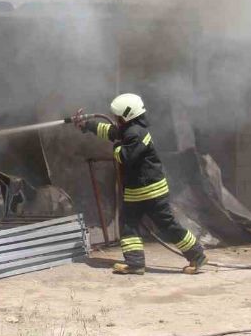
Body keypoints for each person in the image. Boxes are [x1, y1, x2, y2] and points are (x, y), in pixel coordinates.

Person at [74, 93, 207, 275]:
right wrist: (87, 125)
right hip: (141, 190)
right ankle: (136, 263)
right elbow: (112, 132)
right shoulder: (132, 128)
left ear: (126, 115)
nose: (115, 119)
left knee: (163, 225)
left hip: (147, 190)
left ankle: (196, 255)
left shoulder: (136, 134)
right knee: (134, 224)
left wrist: (116, 148)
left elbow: (124, 157)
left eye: (117, 116)